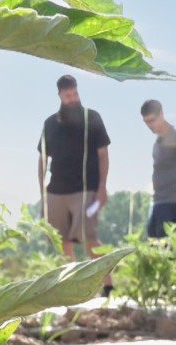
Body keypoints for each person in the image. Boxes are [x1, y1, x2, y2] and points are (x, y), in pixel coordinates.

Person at [37, 75, 114, 296]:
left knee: (90, 239)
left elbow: (103, 154)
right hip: (56, 191)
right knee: (62, 243)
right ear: (60, 95)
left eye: (75, 94)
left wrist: (102, 188)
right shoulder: (50, 124)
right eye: (67, 95)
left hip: (85, 189)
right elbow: (42, 159)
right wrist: (42, 192)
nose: (72, 99)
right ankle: (70, 288)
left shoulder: (93, 118)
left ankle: (108, 286)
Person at [140, 99, 176, 238]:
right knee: (153, 247)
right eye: (146, 122)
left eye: (152, 120)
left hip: (173, 202)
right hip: (157, 201)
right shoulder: (157, 144)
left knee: (167, 250)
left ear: (161, 114)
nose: (150, 125)